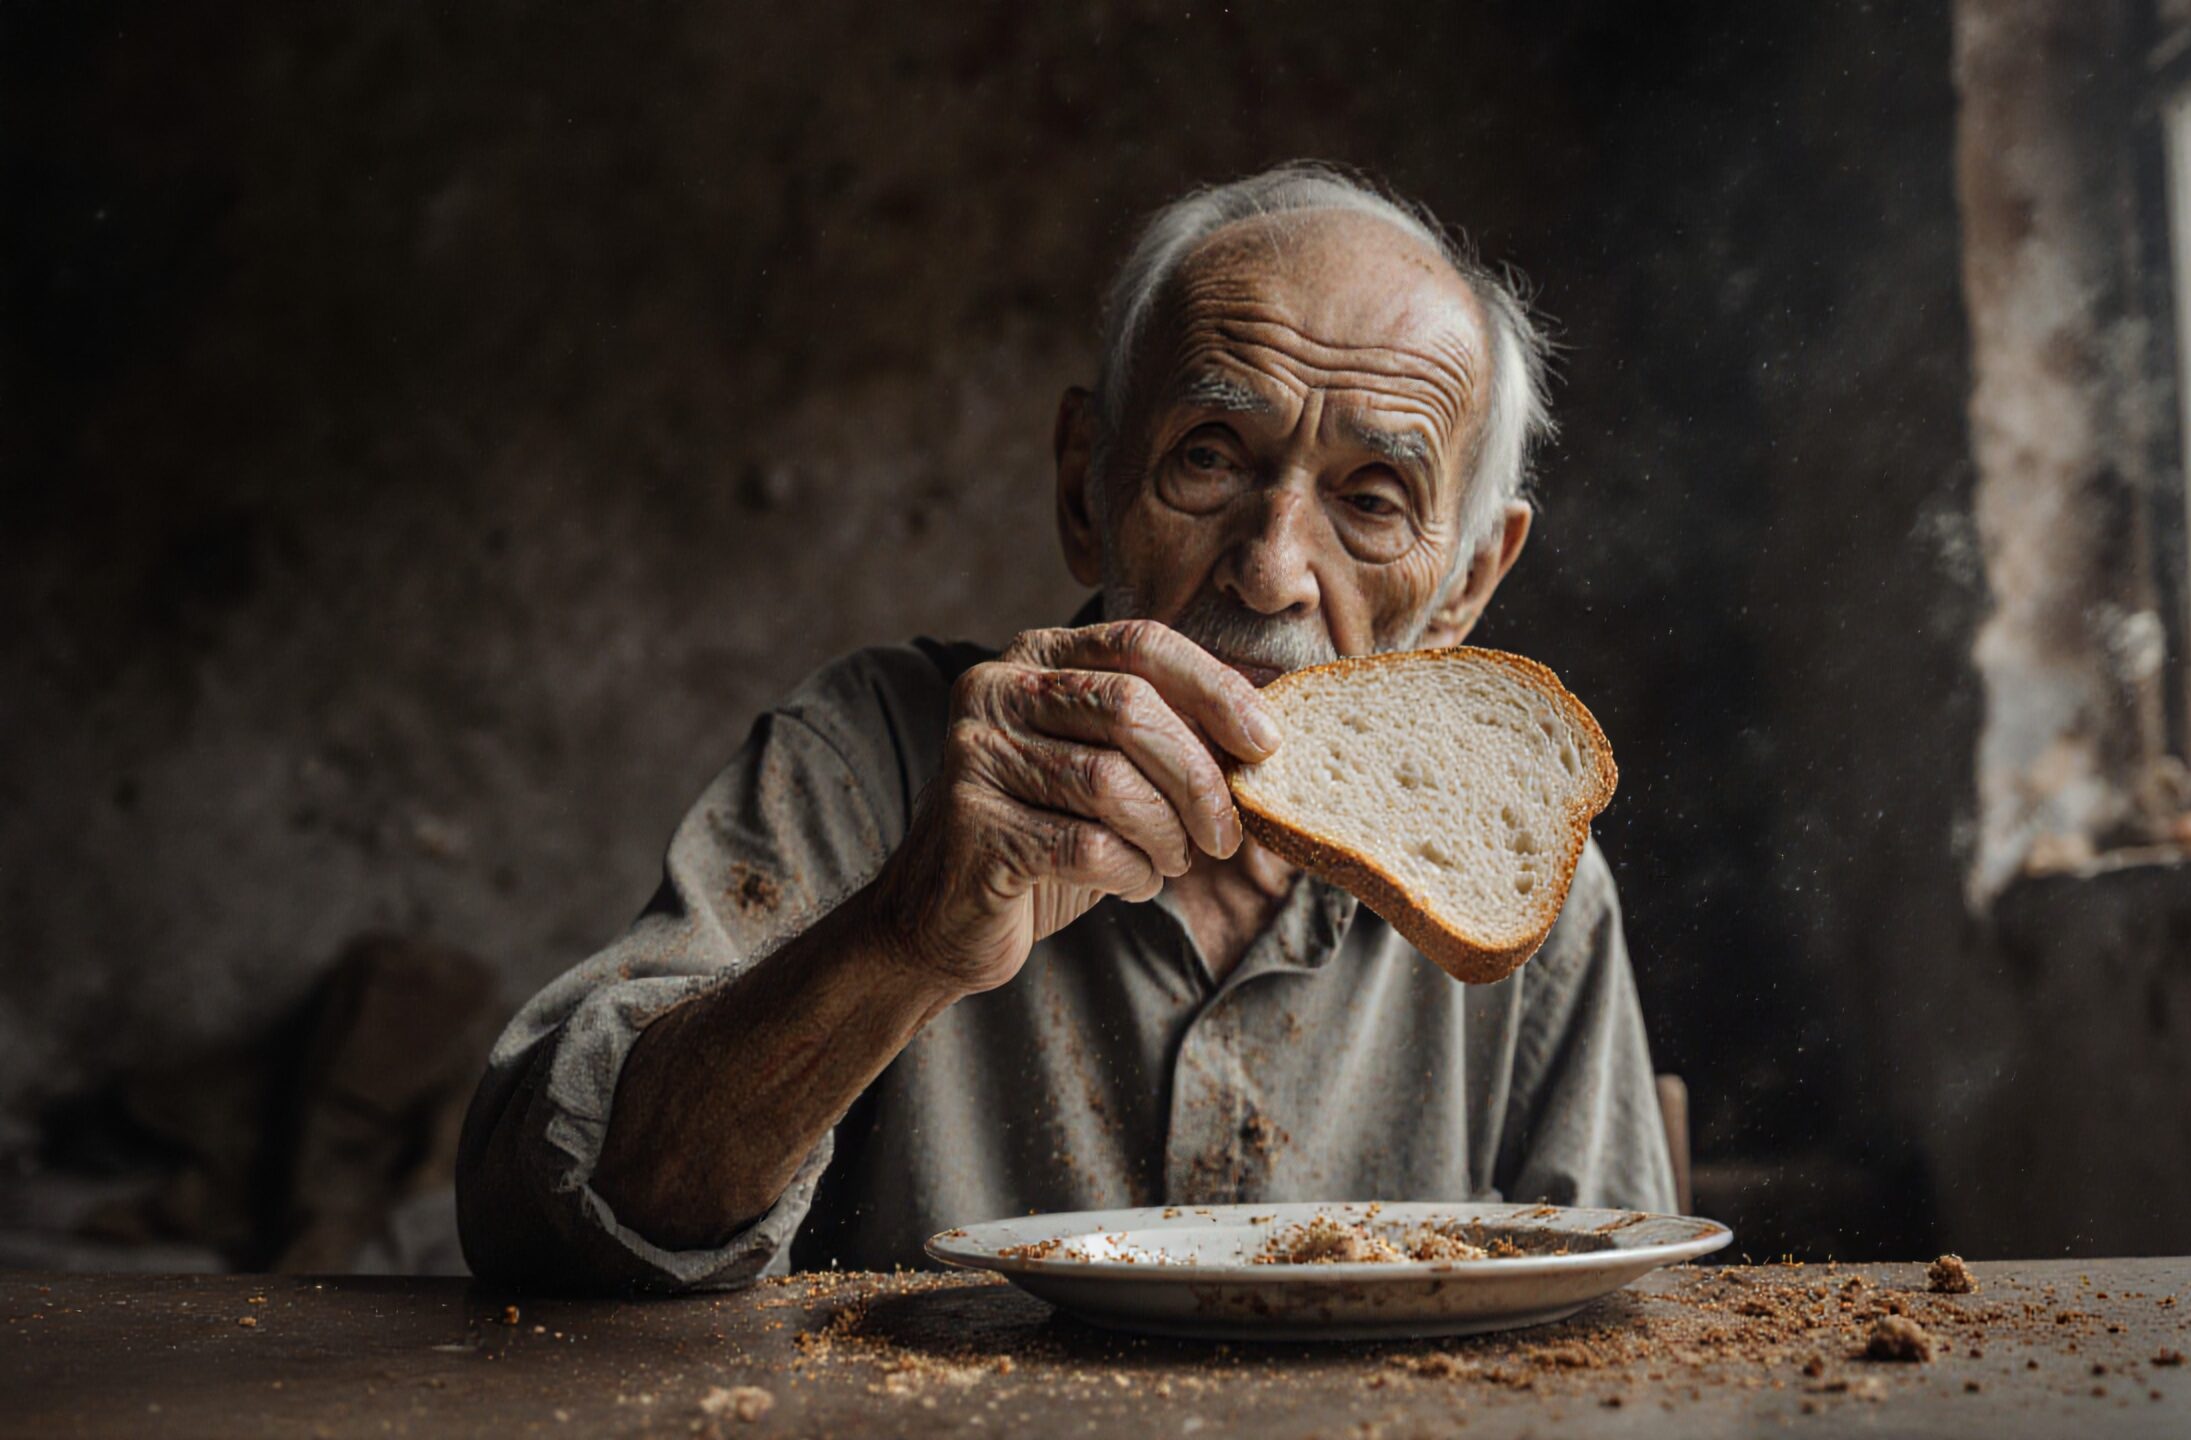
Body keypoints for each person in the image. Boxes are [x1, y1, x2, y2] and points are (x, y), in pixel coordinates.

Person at [457, 163, 1677, 1291]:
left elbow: (1632, 1335)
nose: (1270, 571)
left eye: (1372, 500)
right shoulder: (872, 752)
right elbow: (536, 1221)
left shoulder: (1524, 887)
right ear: (1083, 487)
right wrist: (908, 938)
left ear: (1465, 582)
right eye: (1208, 457)